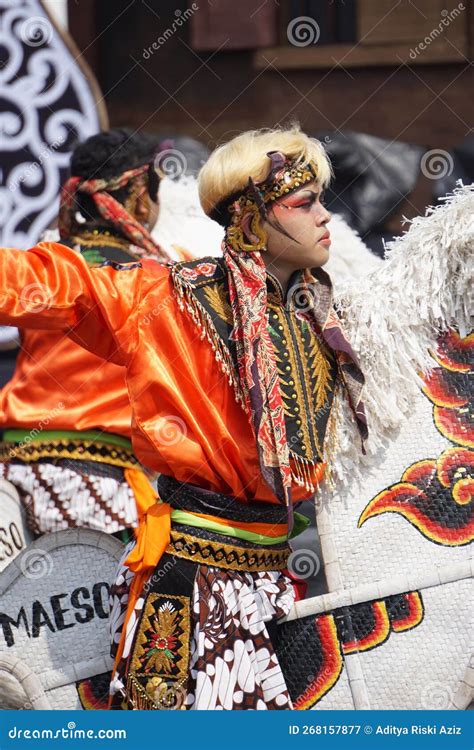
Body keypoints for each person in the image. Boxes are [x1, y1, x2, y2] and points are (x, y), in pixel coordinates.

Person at [0, 125, 367, 709]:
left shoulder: (327, 316)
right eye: (305, 203)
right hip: (197, 583)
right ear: (252, 218)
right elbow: (58, 284)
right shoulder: (168, 295)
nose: (327, 216)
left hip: (274, 571)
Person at [0, 128, 172, 540]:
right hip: (98, 478)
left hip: (12, 468)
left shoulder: (48, 262)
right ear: (138, 195)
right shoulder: (154, 280)